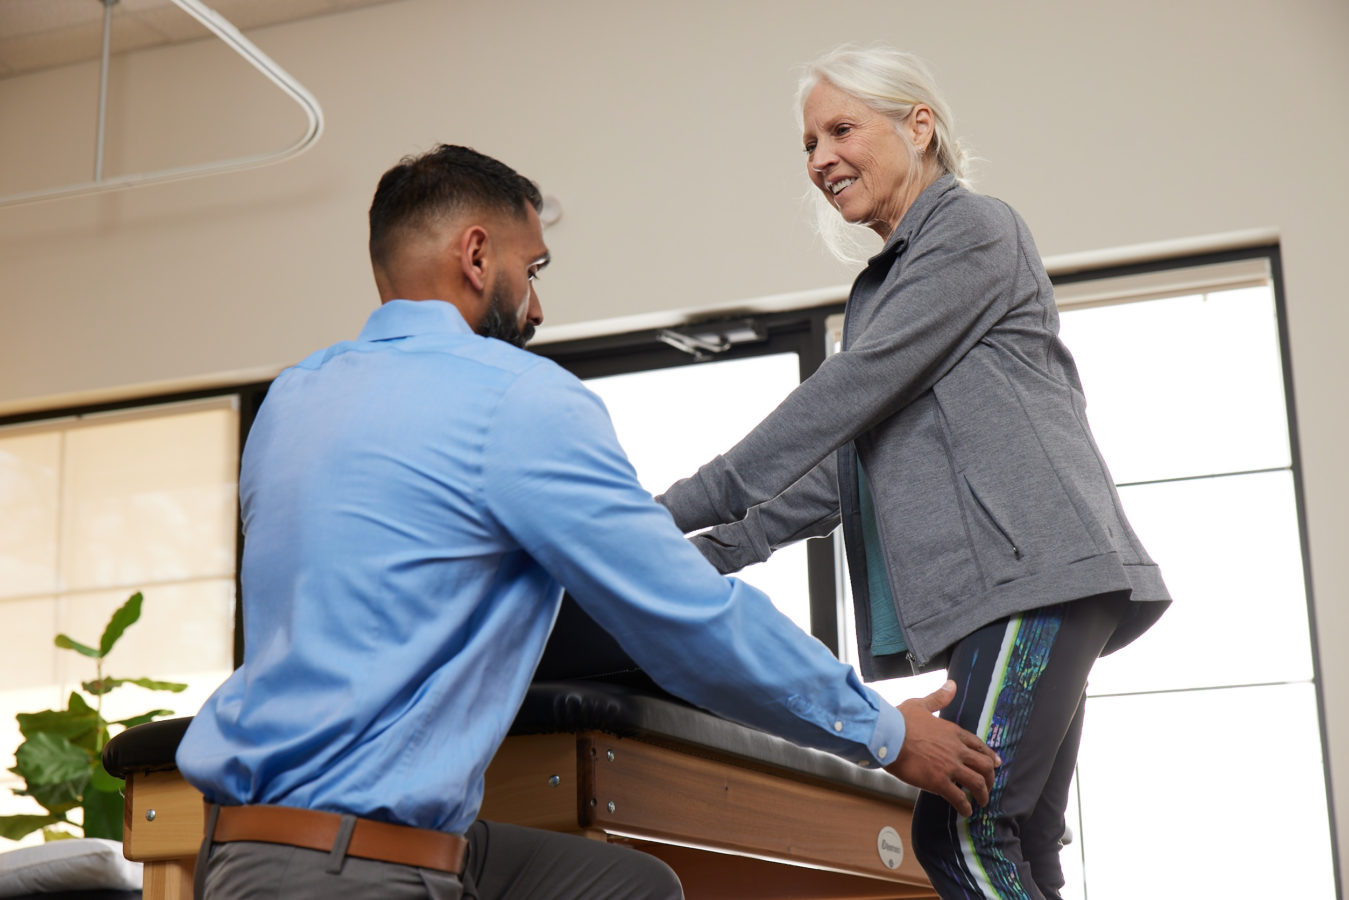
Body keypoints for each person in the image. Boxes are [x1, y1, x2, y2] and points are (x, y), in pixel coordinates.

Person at [174, 143, 1000, 900]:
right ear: (474, 255)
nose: (534, 306)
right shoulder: (513, 396)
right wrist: (886, 732)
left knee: (629, 889)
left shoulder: (292, 400)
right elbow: (687, 616)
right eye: (531, 269)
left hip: (246, 848)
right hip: (357, 866)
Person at [655, 46, 1172, 900]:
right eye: (808, 142)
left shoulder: (971, 230)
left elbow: (840, 397)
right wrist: (704, 554)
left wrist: (669, 512)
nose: (820, 157)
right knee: (1023, 836)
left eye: (841, 128)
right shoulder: (885, 285)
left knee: (966, 831)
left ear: (918, 125)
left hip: (1028, 576)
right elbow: (843, 469)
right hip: (1007, 591)